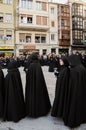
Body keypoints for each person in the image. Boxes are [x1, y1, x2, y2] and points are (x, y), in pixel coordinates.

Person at [63, 53, 86, 128]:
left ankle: (73, 120)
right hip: (81, 91)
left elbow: (72, 83)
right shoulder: (82, 67)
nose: (69, 63)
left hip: (74, 92)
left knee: (74, 105)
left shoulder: (74, 70)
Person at [25, 52, 51, 117]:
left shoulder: (31, 65)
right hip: (39, 85)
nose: (39, 57)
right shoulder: (38, 65)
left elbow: (28, 77)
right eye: (38, 56)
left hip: (32, 86)